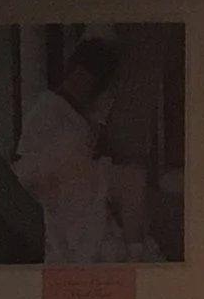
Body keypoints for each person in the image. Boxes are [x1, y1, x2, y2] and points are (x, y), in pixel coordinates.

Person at [9, 35, 153, 265]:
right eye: (89, 81)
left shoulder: (81, 114)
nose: (89, 90)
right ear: (78, 75)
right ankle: (131, 254)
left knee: (133, 179)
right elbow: (35, 169)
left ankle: (135, 252)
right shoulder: (46, 111)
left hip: (81, 181)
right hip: (61, 190)